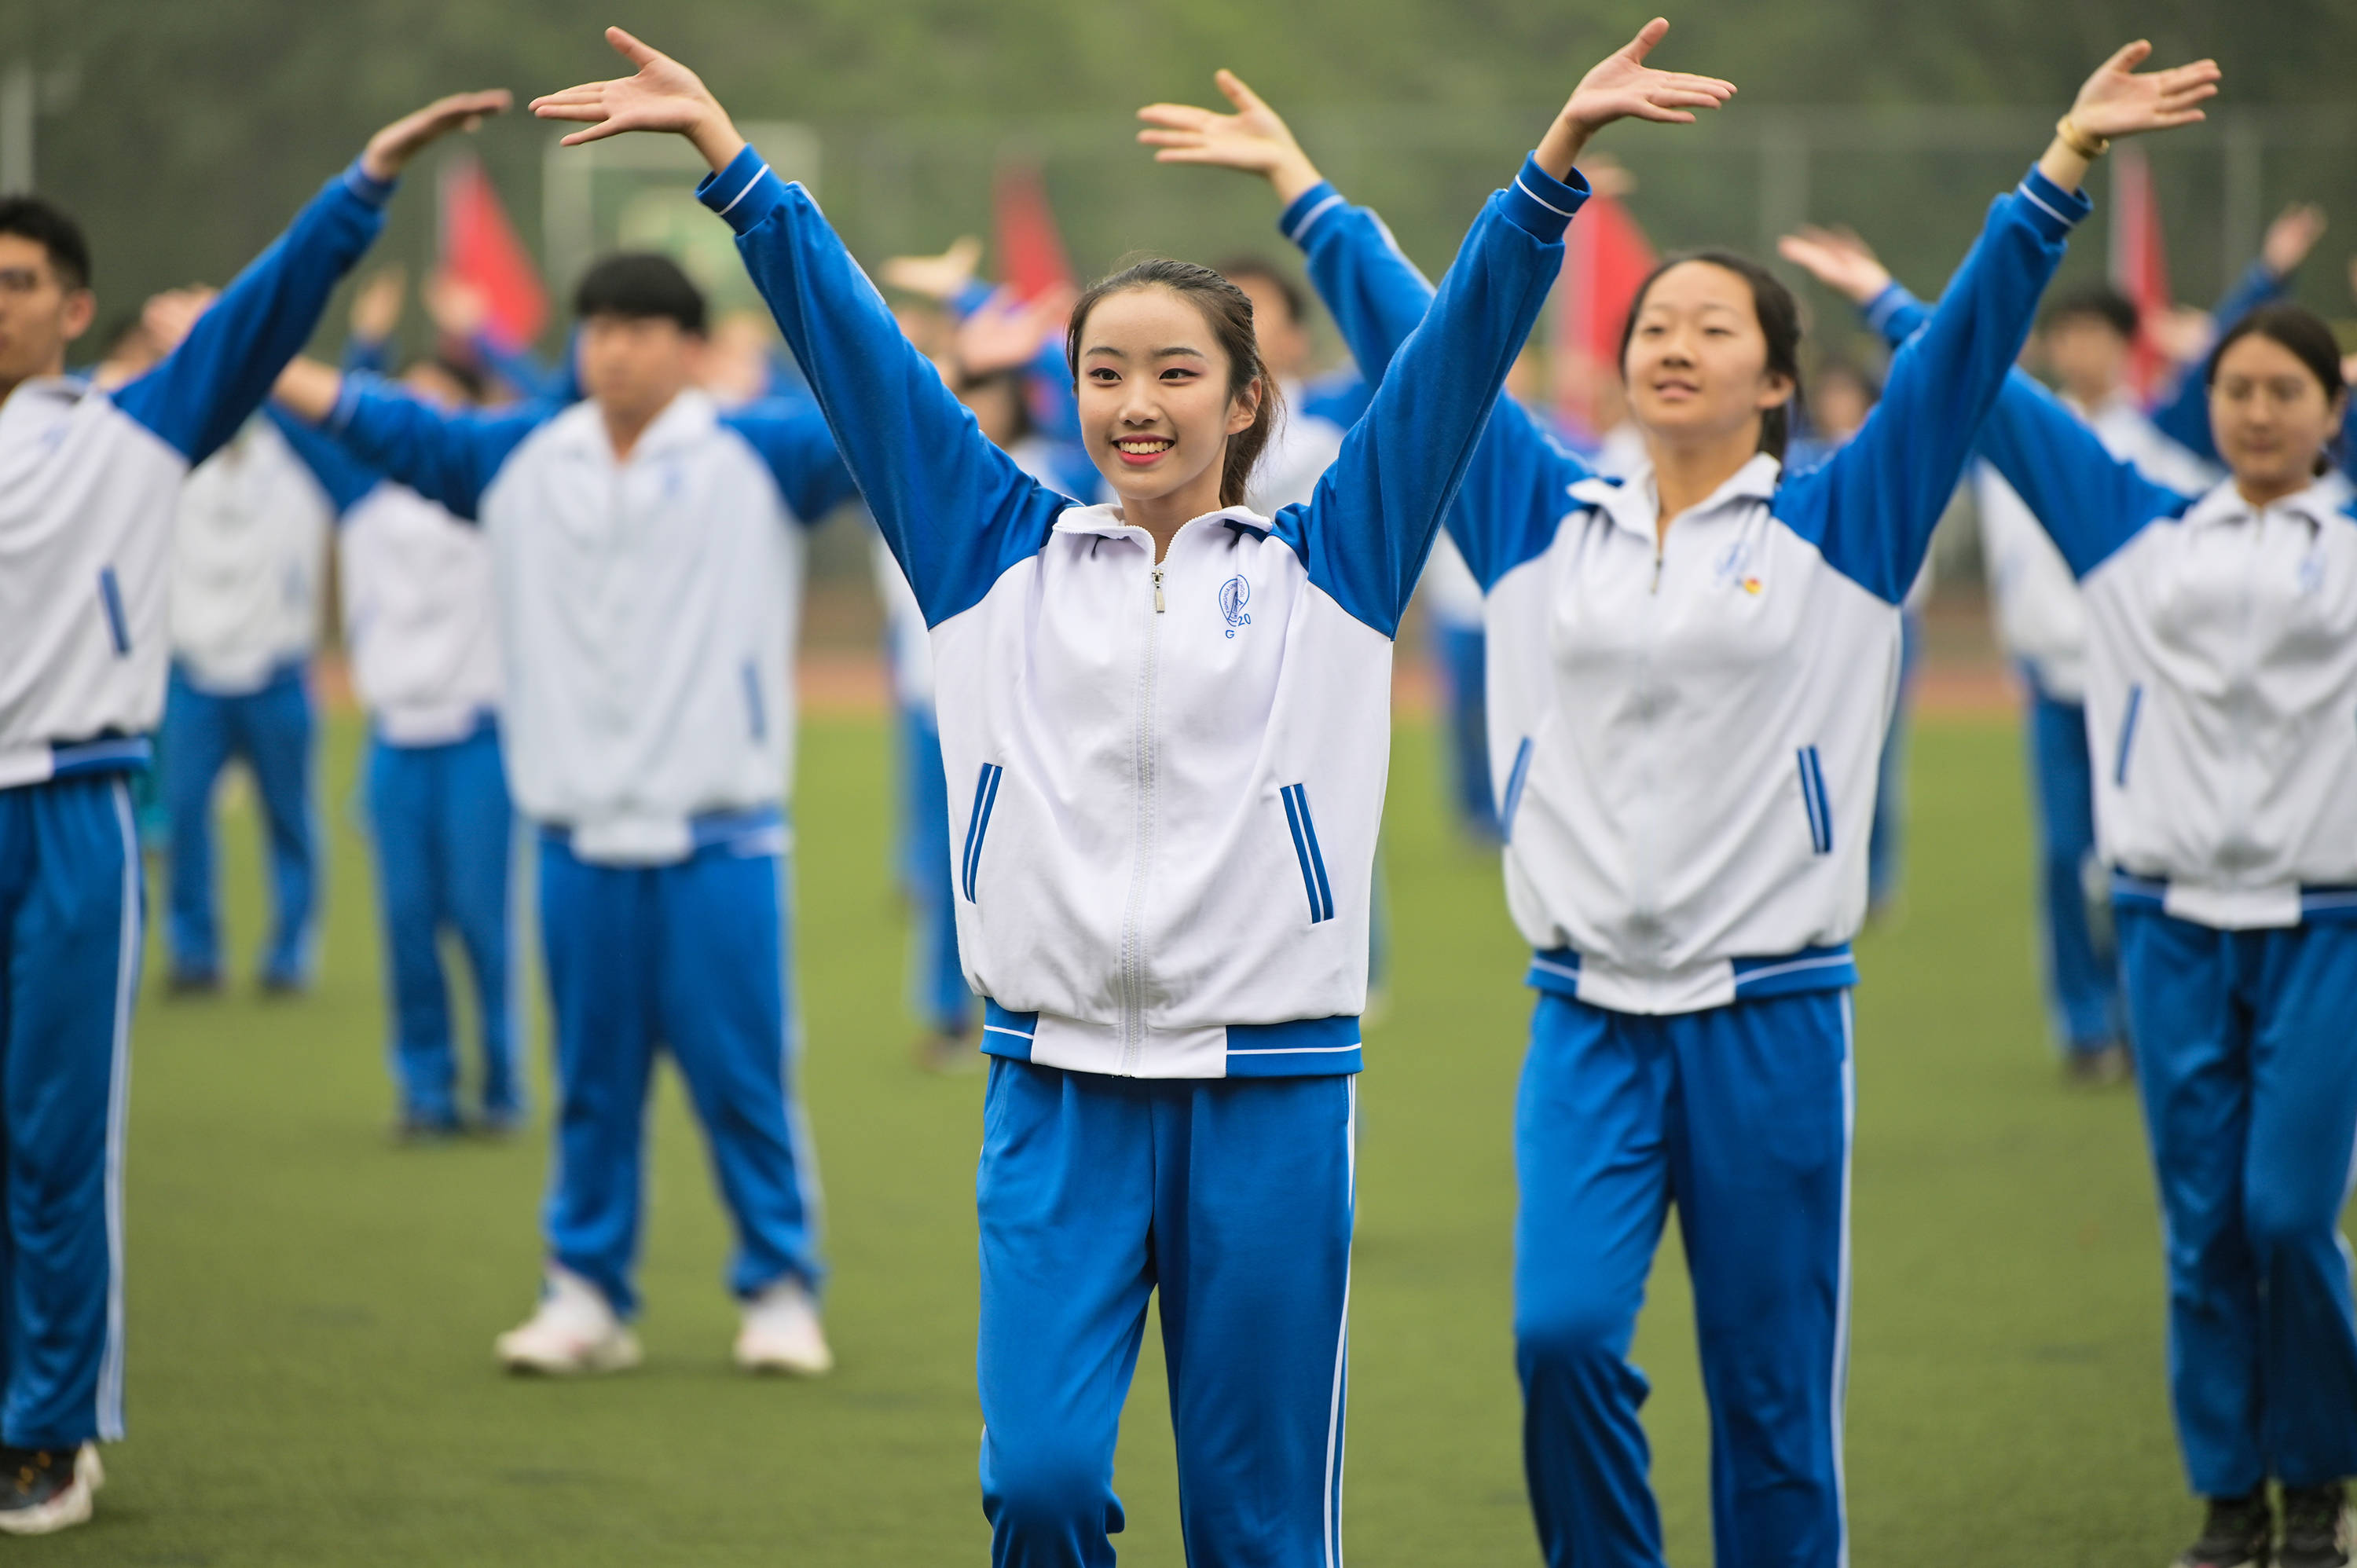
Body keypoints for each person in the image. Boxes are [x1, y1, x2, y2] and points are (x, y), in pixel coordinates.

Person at [531, 20, 1728, 1563]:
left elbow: (1450, 370)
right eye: (1105, 371)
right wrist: (733, 164)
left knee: (1256, 1518)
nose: (1135, 401)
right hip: (1056, 1086)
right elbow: (860, 359)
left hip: (1274, 1095)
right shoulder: (989, 546)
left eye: (1177, 371)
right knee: (1035, 1480)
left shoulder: (1337, 558)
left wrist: (1546, 178)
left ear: (1245, 403)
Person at [1143, 38, 2215, 1566]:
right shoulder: (1531, 507)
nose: (1673, 343)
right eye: (1655, 321)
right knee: (1562, 1335)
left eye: (1715, 327)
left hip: (1772, 1013)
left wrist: (2060, 171)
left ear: (1777, 378)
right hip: (1585, 1011)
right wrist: (1307, 198)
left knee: (1771, 1394)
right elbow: (1429, 342)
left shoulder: (1848, 517)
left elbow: (1965, 358)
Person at [0, 89, 507, 1534]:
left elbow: (264, 314)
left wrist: (363, 184)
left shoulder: (126, 427)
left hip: (69, 807)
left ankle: (46, 1428)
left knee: (51, 1134)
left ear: (73, 306)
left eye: (18, 284)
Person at [1827, 258, 2357, 1568]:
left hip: (2326, 930)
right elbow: (2006, 410)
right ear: (2204, 400)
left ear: (2333, 411)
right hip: (2170, 923)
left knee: (2288, 1213)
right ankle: (2232, 1500)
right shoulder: (2133, 529)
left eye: (2287, 391)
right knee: (2202, 1227)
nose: (2257, 413)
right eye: (2236, 388)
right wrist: (1901, 309)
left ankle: (2323, 1487)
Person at [273, 249, 851, 1379]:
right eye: (598, 327)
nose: (615, 349)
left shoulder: (761, 452)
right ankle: (585, 1293)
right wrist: (257, 359)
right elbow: (390, 429)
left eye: (641, 329)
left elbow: (887, 419)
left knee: (743, 1079)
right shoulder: (525, 458)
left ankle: (780, 1290)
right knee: (592, 1081)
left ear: (688, 348)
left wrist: (965, 356)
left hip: (720, 840)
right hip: (579, 839)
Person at [1794, 204, 2329, 1085]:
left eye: (2097, 336)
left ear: (2127, 345)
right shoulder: (2024, 440)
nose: (2081, 351)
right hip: (2050, 682)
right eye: (2066, 335)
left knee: (2127, 866)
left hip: (2153, 694)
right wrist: (1888, 306)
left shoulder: (2158, 438)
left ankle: (2142, 1015)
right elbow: (1957, 393)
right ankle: (2086, 1027)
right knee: (2059, 860)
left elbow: (2248, 368)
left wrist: (2265, 277)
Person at [301, 272, 522, 1138]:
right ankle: (424, 1090)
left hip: (480, 741)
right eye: (408, 404)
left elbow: (557, 403)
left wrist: (488, 338)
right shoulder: (360, 493)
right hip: (396, 744)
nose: (420, 421)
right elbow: (309, 412)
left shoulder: (497, 490)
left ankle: (502, 1085)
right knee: (406, 927)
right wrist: (362, 348)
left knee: (483, 925)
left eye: (442, 405)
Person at [156, 386, 335, 995]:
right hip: (194, 675)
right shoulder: (171, 457)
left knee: (289, 820)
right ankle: (194, 952)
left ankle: (290, 953)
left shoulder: (292, 462)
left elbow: (343, 417)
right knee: (182, 816)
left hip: (276, 673)